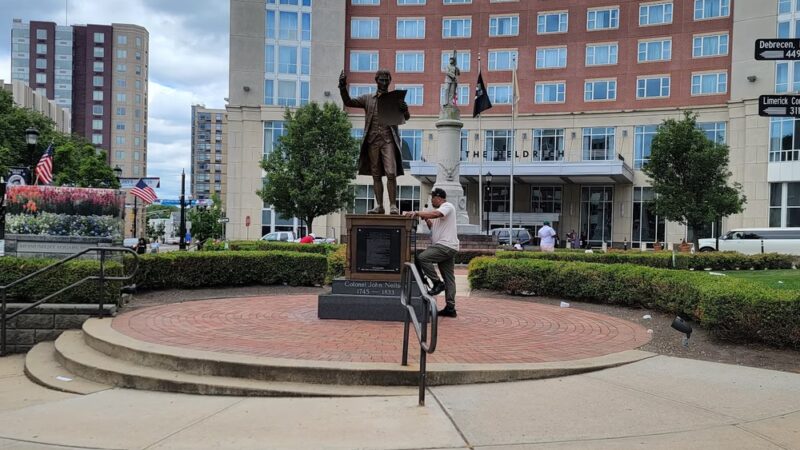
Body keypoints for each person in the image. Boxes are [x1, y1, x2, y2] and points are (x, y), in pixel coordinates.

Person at [339, 68, 410, 215]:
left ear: (390, 81)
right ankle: (379, 206)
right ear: (376, 81)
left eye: (386, 80)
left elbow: (406, 117)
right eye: (381, 80)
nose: (384, 83)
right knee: (376, 175)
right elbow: (348, 101)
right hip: (372, 141)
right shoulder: (367, 99)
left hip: (388, 140)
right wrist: (342, 86)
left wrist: (405, 109)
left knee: (391, 172)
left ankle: (392, 206)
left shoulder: (395, 99)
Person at [403, 188, 459, 318]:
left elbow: (436, 214)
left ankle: (437, 283)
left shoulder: (447, 206)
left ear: (438, 197)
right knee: (449, 278)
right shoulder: (441, 212)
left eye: (432, 198)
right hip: (448, 247)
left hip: (445, 246)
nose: (432, 201)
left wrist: (417, 213)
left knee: (422, 258)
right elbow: (433, 226)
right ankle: (450, 308)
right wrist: (426, 219)